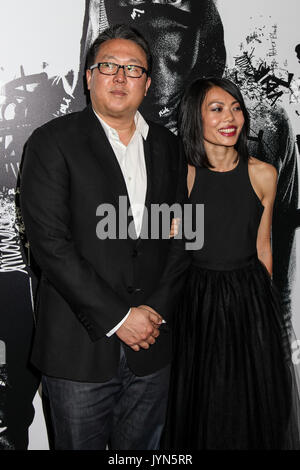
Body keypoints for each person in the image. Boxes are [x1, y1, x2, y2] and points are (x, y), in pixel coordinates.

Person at [75, 0, 299, 331]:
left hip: (227, 338)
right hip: (130, 344)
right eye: (131, 10)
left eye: (171, 13)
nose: (150, 28)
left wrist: (280, 344)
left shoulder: (263, 131)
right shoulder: (74, 142)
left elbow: (277, 270)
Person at [20, 24, 185, 450]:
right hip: (78, 351)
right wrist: (121, 318)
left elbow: (184, 237)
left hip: (153, 346)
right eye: (107, 65)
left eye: (132, 69)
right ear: (89, 76)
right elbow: (51, 247)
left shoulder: (170, 148)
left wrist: (153, 313)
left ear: (148, 84)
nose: (119, 77)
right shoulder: (51, 143)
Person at [156, 77, 300, 449]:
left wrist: (264, 316)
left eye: (236, 107)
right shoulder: (180, 176)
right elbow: (171, 247)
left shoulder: (263, 173)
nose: (231, 117)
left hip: (250, 300)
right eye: (217, 109)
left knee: (252, 409)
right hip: (196, 302)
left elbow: (264, 249)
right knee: (204, 408)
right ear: (194, 118)